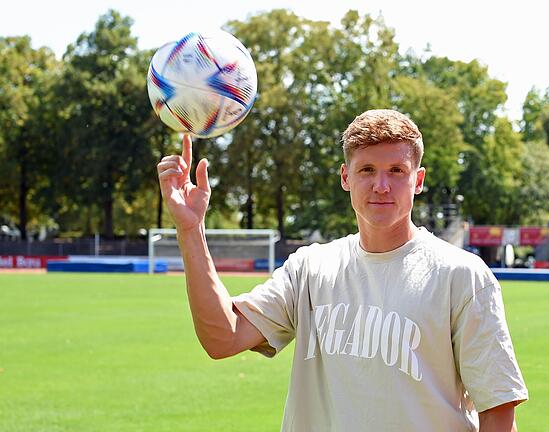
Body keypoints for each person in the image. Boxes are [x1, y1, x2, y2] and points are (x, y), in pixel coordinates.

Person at [156, 109, 528, 431]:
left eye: (396, 170)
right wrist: (191, 229)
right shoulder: (310, 268)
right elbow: (223, 338)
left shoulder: (461, 276)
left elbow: (498, 412)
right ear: (345, 177)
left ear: (418, 180)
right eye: (367, 169)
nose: (381, 185)